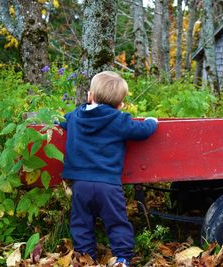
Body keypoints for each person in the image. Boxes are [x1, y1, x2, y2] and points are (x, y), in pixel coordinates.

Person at [59, 71, 158, 267]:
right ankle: (122, 258)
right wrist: (151, 122)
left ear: (90, 96)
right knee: (116, 221)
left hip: (81, 185)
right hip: (108, 185)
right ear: (120, 104)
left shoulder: (76, 116)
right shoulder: (118, 119)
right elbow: (141, 131)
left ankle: (85, 257)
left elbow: (61, 121)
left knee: (81, 222)